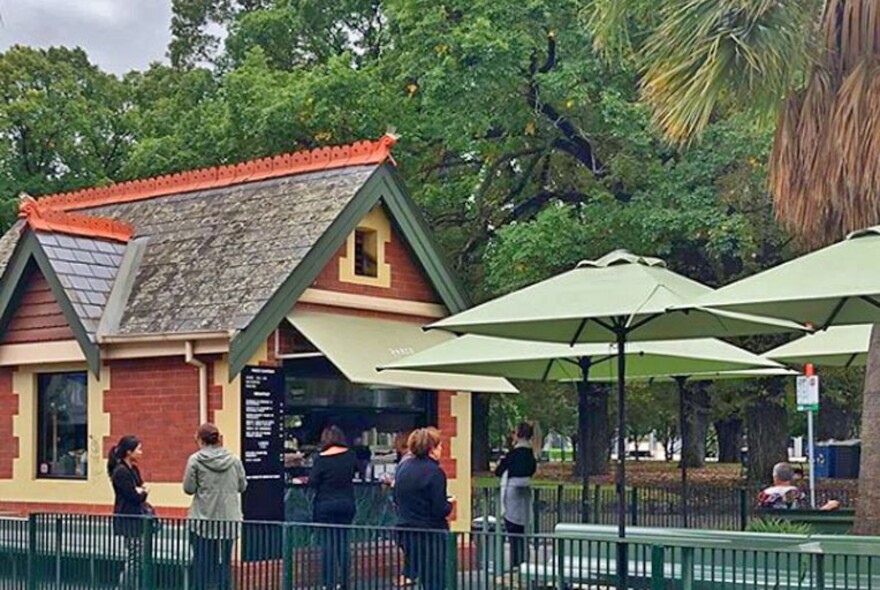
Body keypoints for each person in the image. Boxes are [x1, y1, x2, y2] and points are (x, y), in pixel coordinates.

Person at [183, 423, 247, 590]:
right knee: (225, 563)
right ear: (219, 439)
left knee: (202, 563)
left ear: (200, 440)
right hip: (229, 521)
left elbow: (188, 489)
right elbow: (242, 486)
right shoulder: (234, 460)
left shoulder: (195, 460)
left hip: (202, 520)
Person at [393, 428, 452, 590]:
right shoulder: (435, 472)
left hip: (406, 530)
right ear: (431, 449)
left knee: (413, 572)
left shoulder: (403, 469)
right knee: (434, 579)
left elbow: (396, 498)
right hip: (430, 533)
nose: (441, 450)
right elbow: (440, 508)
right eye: (439, 446)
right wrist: (450, 504)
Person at [309, 425, 357, 590]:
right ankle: (344, 582)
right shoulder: (350, 455)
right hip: (347, 504)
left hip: (326, 504)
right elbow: (356, 473)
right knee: (343, 543)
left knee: (328, 544)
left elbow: (313, 482)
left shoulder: (321, 459)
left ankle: (328, 583)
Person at [495, 421, 538, 568]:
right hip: (525, 495)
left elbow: (499, 471)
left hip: (512, 494)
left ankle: (516, 564)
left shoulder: (513, 454)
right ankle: (524, 562)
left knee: (513, 531)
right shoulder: (530, 454)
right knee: (524, 532)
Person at [108, 435, 148, 590]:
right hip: (128, 518)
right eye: (138, 449)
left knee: (137, 557)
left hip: (137, 517)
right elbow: (133, 495)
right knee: (134, 557)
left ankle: (131, 585)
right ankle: (126, 586)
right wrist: (142, 492)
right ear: (129, 452)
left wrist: (141, 491)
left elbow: (140, 487)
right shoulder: (121, 472)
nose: (141, 452)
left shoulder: (133, 470)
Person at [757, 462, 841, 511]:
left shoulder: (764, 495)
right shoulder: (799, 494)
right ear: (791, 477)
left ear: (775, 477)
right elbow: (809, 513)